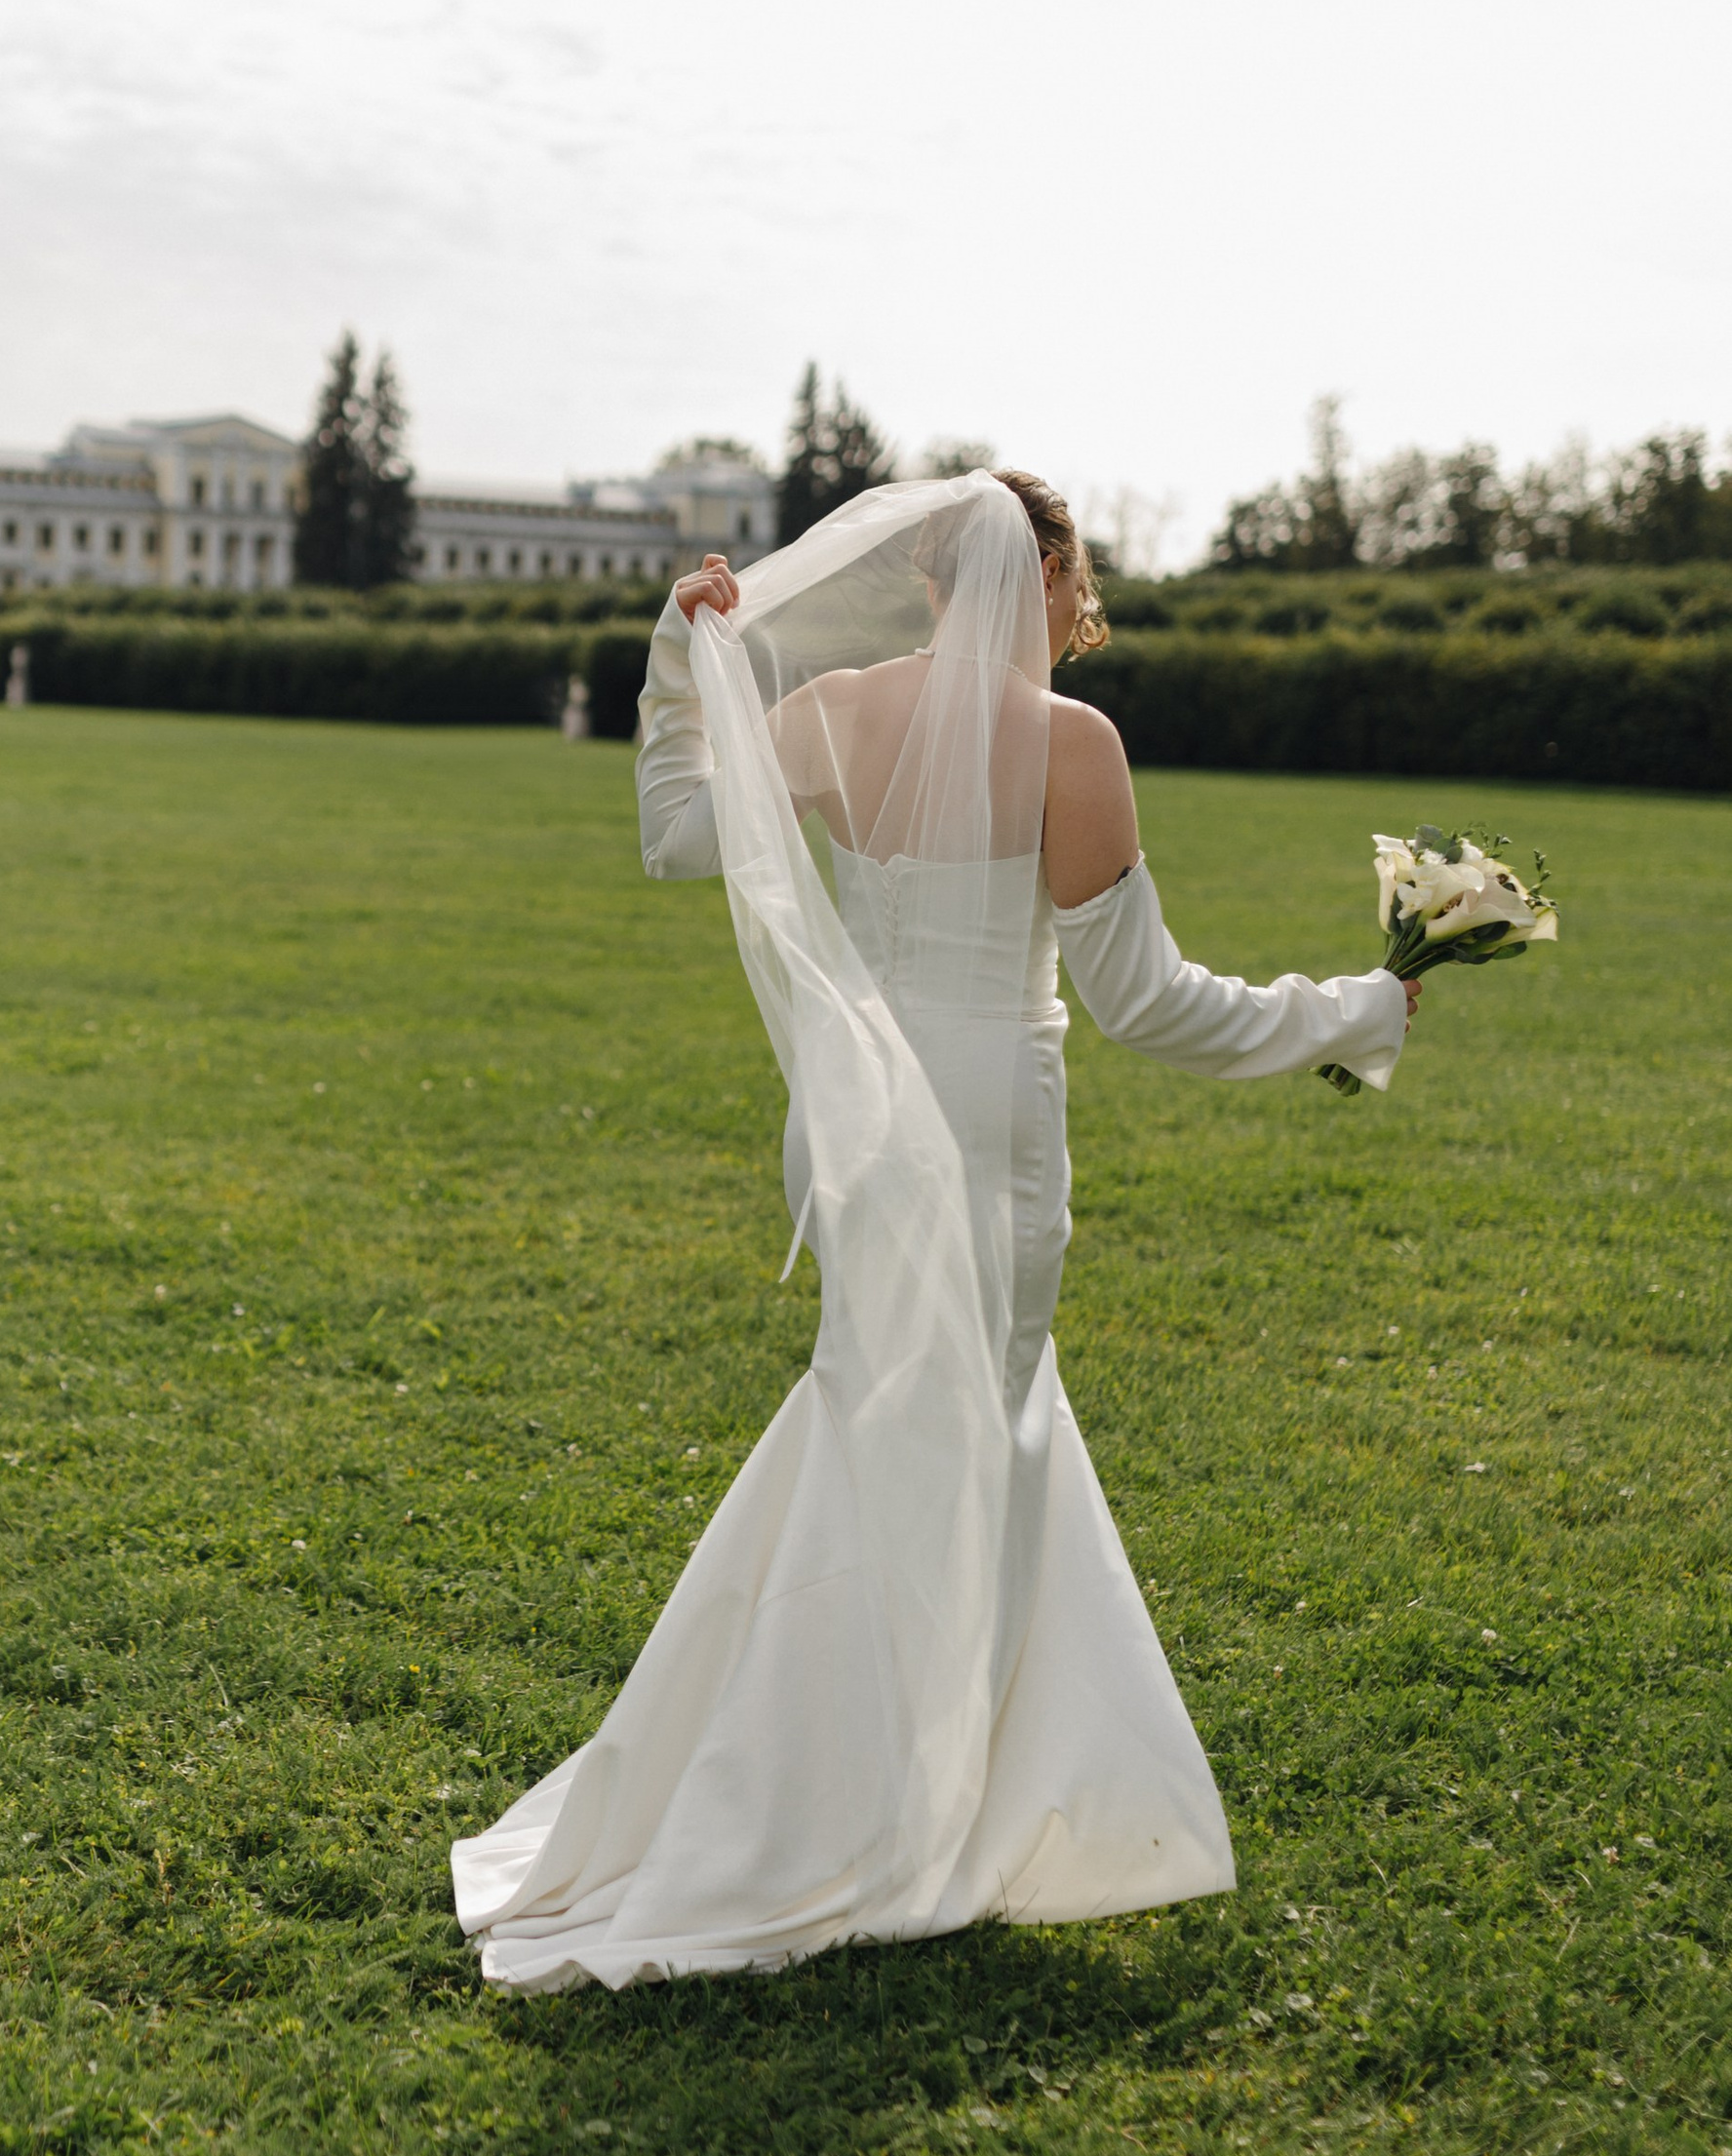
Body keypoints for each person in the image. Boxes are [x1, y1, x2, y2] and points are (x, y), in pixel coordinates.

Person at [453, 467, 1414, 1994]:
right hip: (988, 1117)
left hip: (851, 1112)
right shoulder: (1072, 746)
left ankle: (868, 1769)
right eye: (1069, 576)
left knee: (884, 1414)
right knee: (980, 1427)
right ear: (1046, 576)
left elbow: (679, 837)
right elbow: (1149, 1003)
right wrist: (1356, 1010)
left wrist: (673, 670)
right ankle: (899, 1797)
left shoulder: (833, 710)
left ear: (922, 579)